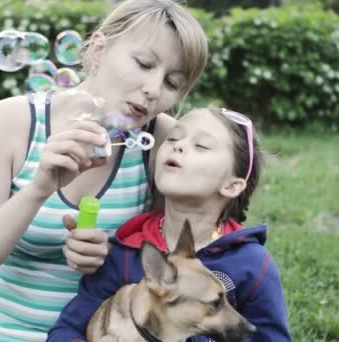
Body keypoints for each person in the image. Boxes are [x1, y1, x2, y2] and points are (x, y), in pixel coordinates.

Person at [0, 0, 208, 340]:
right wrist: (38, 190)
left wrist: (112, 259)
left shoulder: (162, 140)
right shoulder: (11, 122)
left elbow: (178, 275)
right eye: (143, 63)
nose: (153, 89)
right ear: (97, 50)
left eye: (172, 83)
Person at [48, 108, 291, 341]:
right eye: (173, 137)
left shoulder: (252, 264)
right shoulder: (126, 252)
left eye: (201, 145)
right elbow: (67, 328)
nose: (179, 145)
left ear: (232, 185)